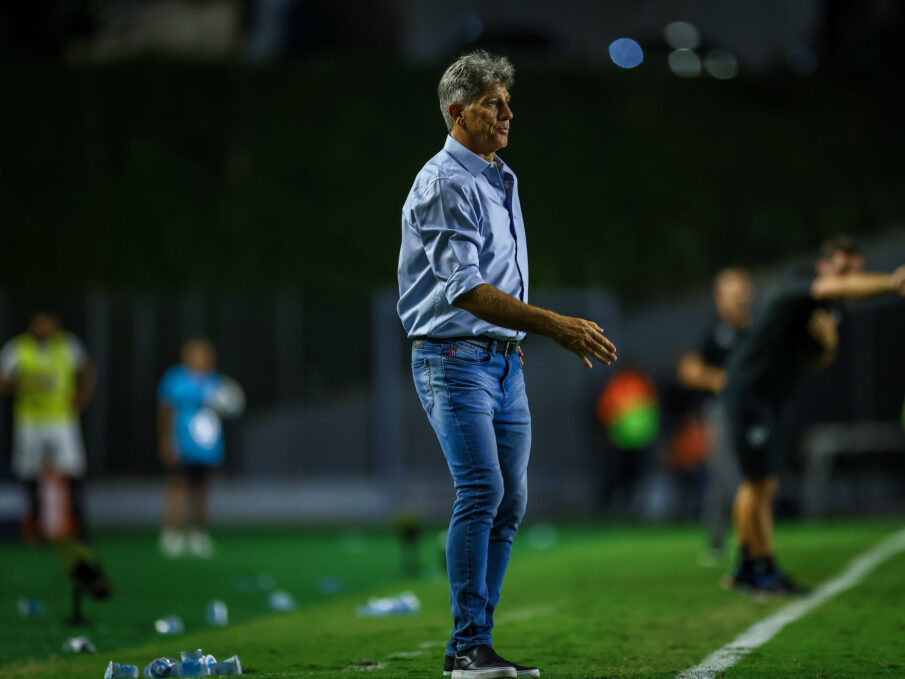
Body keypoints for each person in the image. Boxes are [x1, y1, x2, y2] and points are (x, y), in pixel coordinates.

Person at [397, 50, 617, 679]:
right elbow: (465, 289)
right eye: (492, 104)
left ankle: (478, 641)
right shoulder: (444, 181)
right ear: (456, 112)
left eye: (507, 103)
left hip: (501, 362)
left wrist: (532, 335)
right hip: (453, 355)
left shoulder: (500, 175)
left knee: (510, 500)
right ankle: (466, 645)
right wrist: (555, 324)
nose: (506, 114)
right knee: (483, 490)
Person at [722, 237, 905, 596]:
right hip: (750, 391)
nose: (848, 278)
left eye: (854, 270)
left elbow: (816, 361)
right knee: (758, 483)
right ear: (823, 267)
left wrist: (830, 346)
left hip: (772, 397)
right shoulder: (799, 282)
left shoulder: (829, 310)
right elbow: (837, 287)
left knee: (764, 483)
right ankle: (760, 568)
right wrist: (893, 281)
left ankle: (749, 568)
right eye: (842, 270)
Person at [677, 268, 753, 564]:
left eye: (741, 293)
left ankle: (719, 540)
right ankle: (744, 540)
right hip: (721, 409)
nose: (738, 301)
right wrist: (722, 381)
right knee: (729, 472)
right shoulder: (715, 331)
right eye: (731, 295)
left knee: (731, 477)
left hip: (750, 407)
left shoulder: (754, 329)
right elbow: (688, 370)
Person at [0, 308, 95, 542]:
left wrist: (82, 396)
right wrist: (19, 384)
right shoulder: (18, 348)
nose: (44, 328)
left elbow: (87, 369)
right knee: (29, 472)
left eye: (48, 323)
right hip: (30, 420)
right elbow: (4, 381)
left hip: (61, 418)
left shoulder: (67, 345)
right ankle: (34, 528)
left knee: (73, 470)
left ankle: (79, 526)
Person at [157, 338, 244, 558]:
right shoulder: (175, 379)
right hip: (181, 441)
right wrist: (166, 440)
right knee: (177, 486)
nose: (202, 360)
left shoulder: (215, 381)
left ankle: (198, 534)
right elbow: (165, 411)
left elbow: (231, 404)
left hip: (205, 446)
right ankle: (172, 533)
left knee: (200, 488)